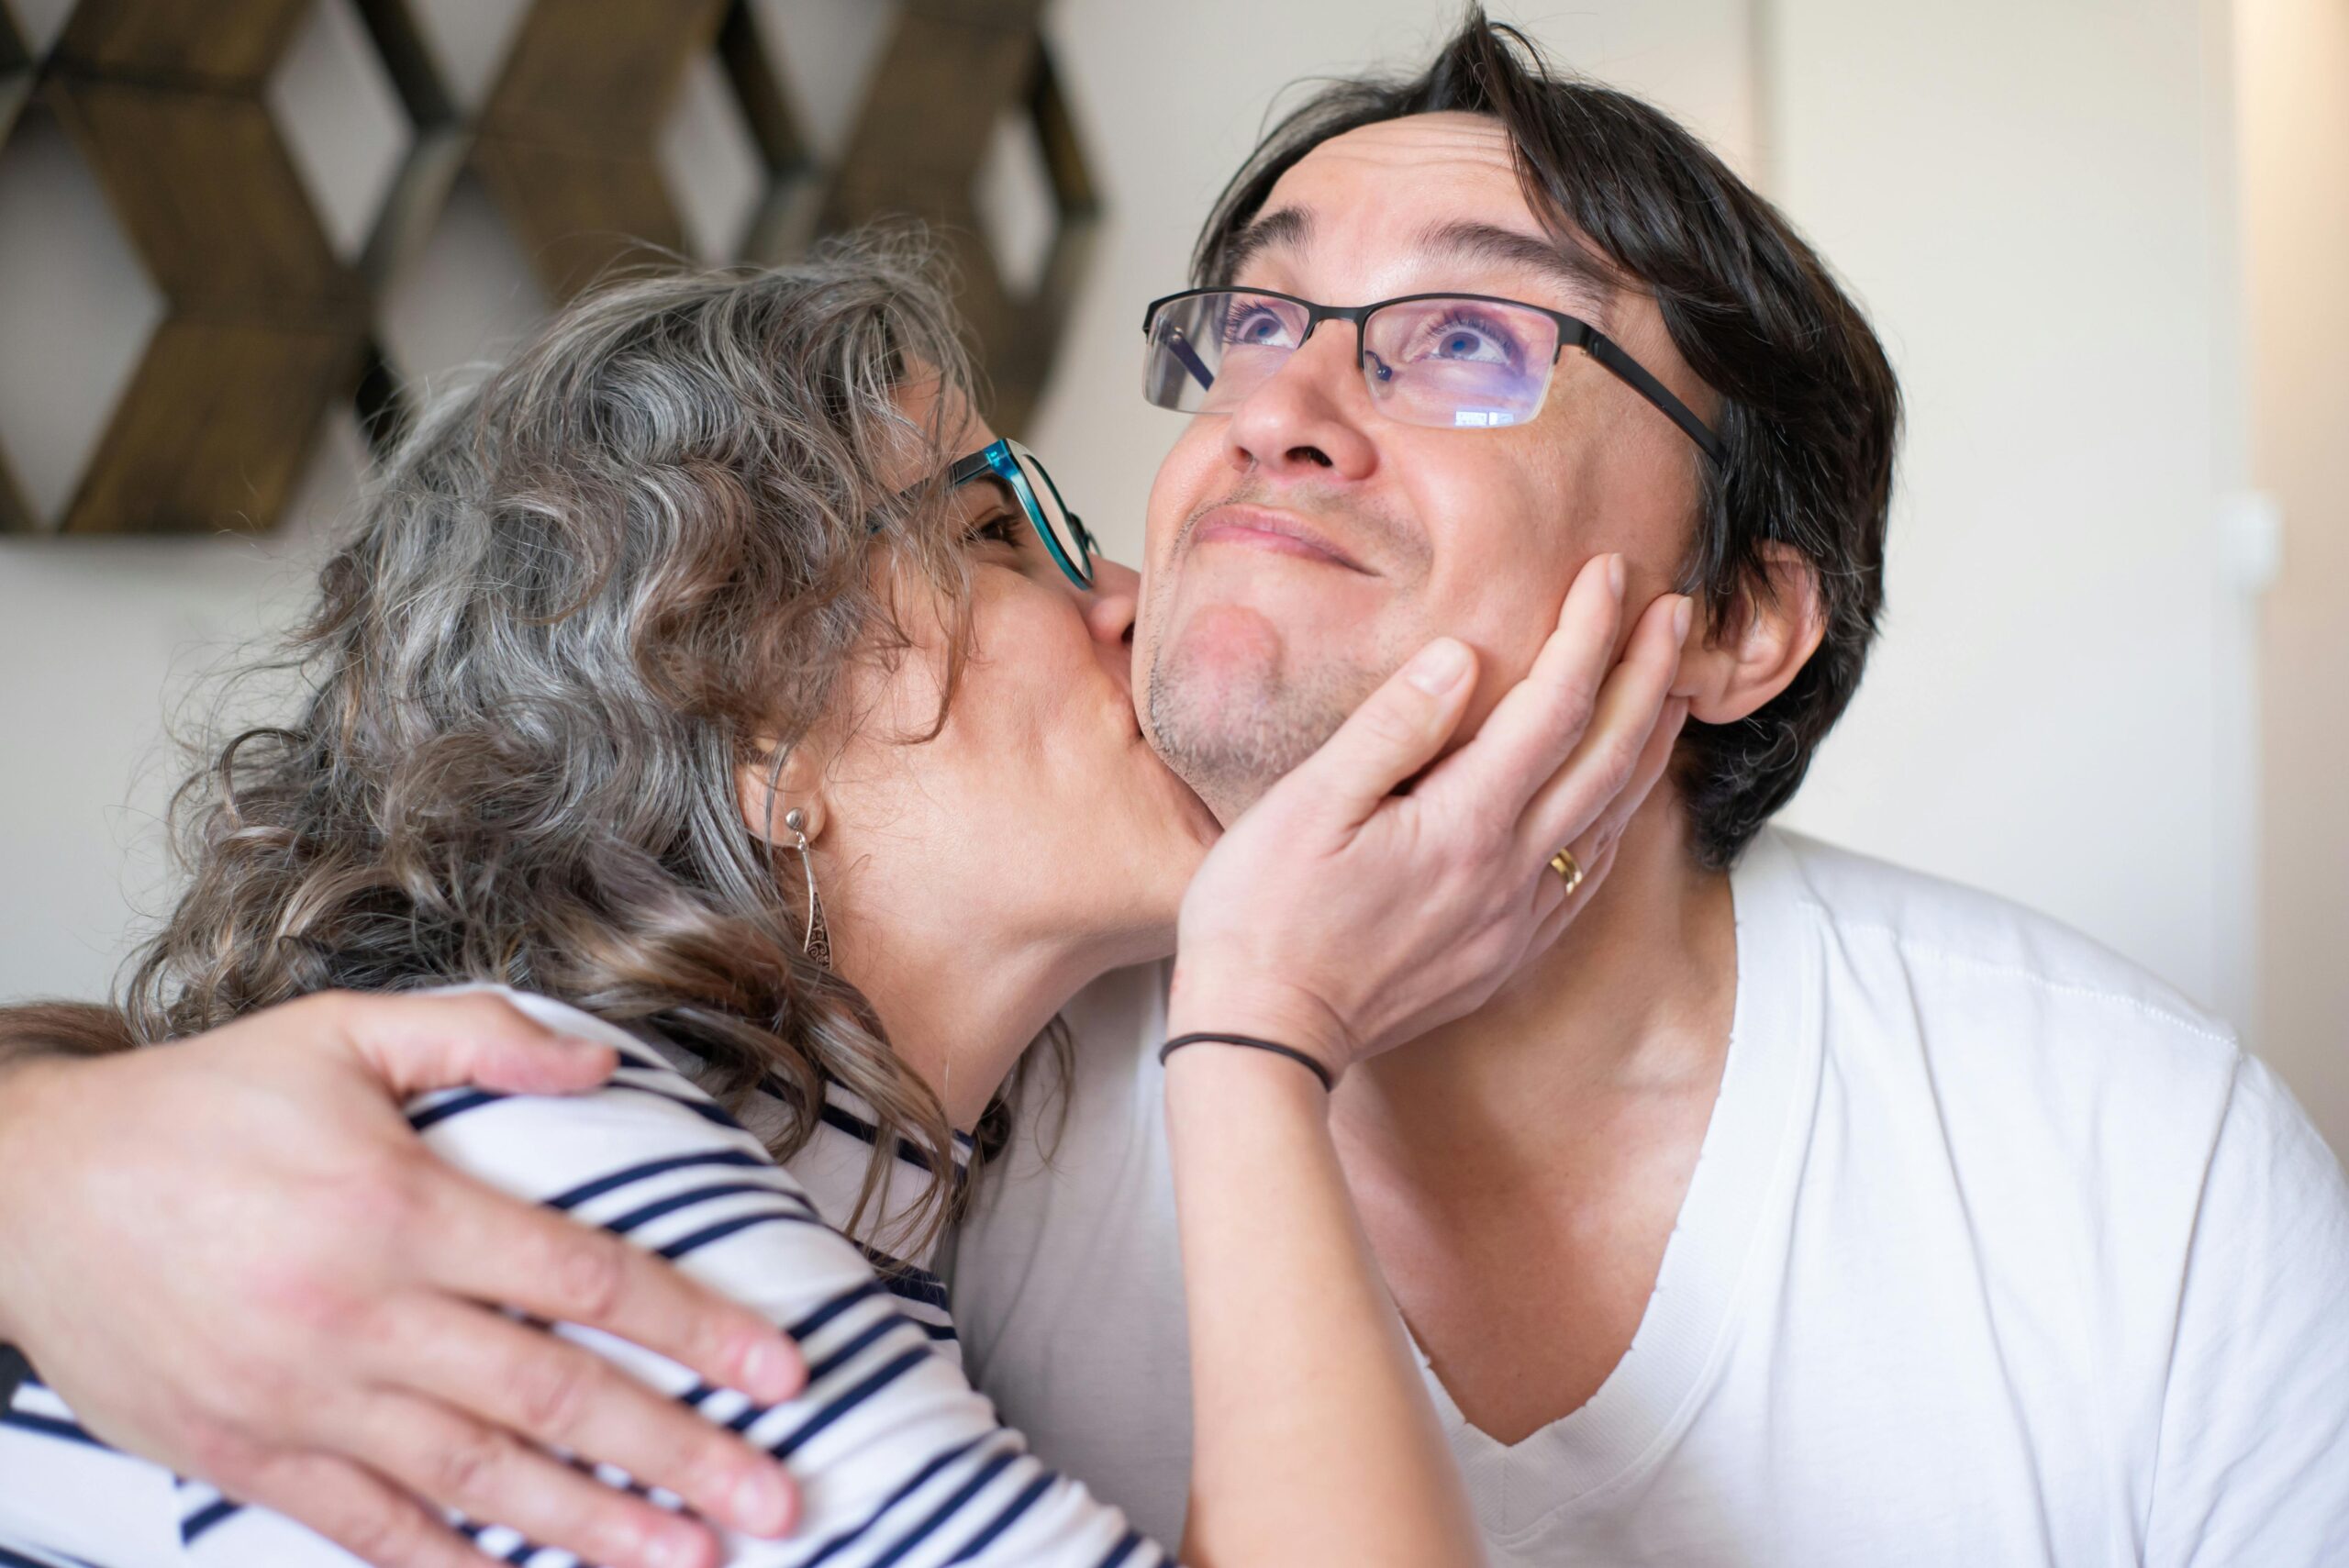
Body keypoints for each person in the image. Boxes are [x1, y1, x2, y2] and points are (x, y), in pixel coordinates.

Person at [6, 9, 2349, 1566]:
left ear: (1738, 612)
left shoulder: (2132, 1175)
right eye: (1247, 319)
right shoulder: (916, 1101)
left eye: (1464, 337)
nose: (1265, 412)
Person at [0, 236, 1691, 1568]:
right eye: (995, 532)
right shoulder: (552, 1162)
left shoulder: (850, 1192)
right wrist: (1264, 1033)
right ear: (743, 715)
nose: (1128, 599)